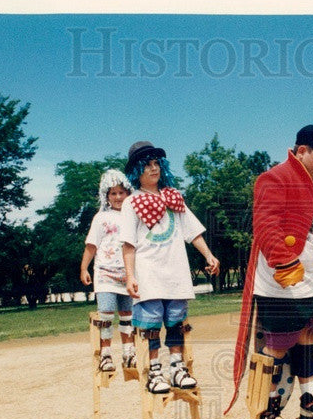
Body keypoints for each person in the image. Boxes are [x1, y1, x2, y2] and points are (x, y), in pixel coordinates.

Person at [226, 124, 313, 419]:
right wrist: (284, 260)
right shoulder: (275, 177)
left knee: (309, 335)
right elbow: (265, 226)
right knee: (277, 345)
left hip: (310, 281)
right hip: (281, 282)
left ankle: (311, 402)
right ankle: (267, 412)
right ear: (301, 151)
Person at [119, 141, 219, 393]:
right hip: (148, 274)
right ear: (136, 171)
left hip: (175, 273)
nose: (153, 169)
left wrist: (208, 255)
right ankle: (154, 371)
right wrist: (130, 275)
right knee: (151, 323)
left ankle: (177, 368)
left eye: (156, 164)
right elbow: (128, 243)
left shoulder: (173, 197)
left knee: (176, 321)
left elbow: (192, 231)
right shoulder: (132, 203)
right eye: (147, 165)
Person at [80, 169, 137, 372]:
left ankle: (129, 352)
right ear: (106, 196)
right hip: (105, 273)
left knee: (127, 315)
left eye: (121, 192)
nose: (118, 197)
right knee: (105, 314)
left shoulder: (135, 216)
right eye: (113, 193)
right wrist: (84, 267)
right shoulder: (101, 217)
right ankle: (105, 355)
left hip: (128, 275)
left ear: (128, 193)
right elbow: (91, 244)